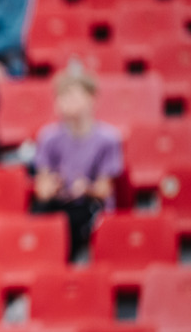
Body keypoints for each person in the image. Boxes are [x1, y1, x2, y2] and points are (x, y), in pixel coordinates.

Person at [33, 65, 123, 262]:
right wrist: (51, 186)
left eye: (73, 95)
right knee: (39, 216)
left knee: (74, 220)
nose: (67, 102)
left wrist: (86, 188)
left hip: (88, 206)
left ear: (92, 99)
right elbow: (42, 187)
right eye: (62, 96)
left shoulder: (108, 139)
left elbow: (104, 189)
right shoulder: (48, 138)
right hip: (59, 203)